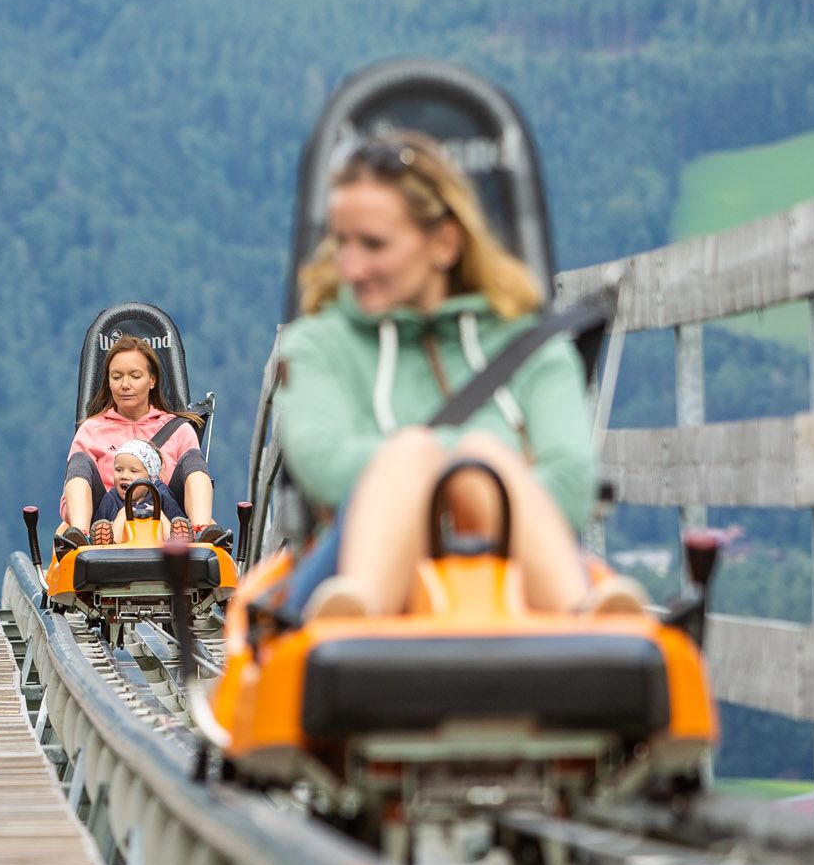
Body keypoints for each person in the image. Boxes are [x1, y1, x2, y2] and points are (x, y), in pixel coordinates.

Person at [273, 130, 642, 620]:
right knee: (428, 456)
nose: (352, 267)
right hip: (346, 568)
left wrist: (470, 471)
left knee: (474, 458)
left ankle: (584, 626)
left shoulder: (529, 347)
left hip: (503, 578)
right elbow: (323, 466)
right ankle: (355, 625)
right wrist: (453, 467)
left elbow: (572, 487)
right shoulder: (317, 346)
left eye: (374, 245)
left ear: (444, 243)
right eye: (342, 242)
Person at [59, 336, 217, 550]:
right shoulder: (91, 431)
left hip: (167, 520)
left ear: (152, 380)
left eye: (135, 376)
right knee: (79, 461)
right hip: (105, 524)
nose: (125, 385)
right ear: (108, 381)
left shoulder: (179, 430)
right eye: (116, 377)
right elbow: (66, 505)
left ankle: (199, 530)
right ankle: (81, 535)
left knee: (192, 458)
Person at [104, 441, 190, 545]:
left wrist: (161, 515)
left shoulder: (159, 492)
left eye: (133, 471)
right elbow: (100, 524)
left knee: (158, 513)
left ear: (150, 476)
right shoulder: (112, 497)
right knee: (123, 513)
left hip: (160, 544)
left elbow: (177, 518)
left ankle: (178, 540)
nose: (124, 475)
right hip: (121, 548)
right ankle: (110, 542)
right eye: (118, 470)